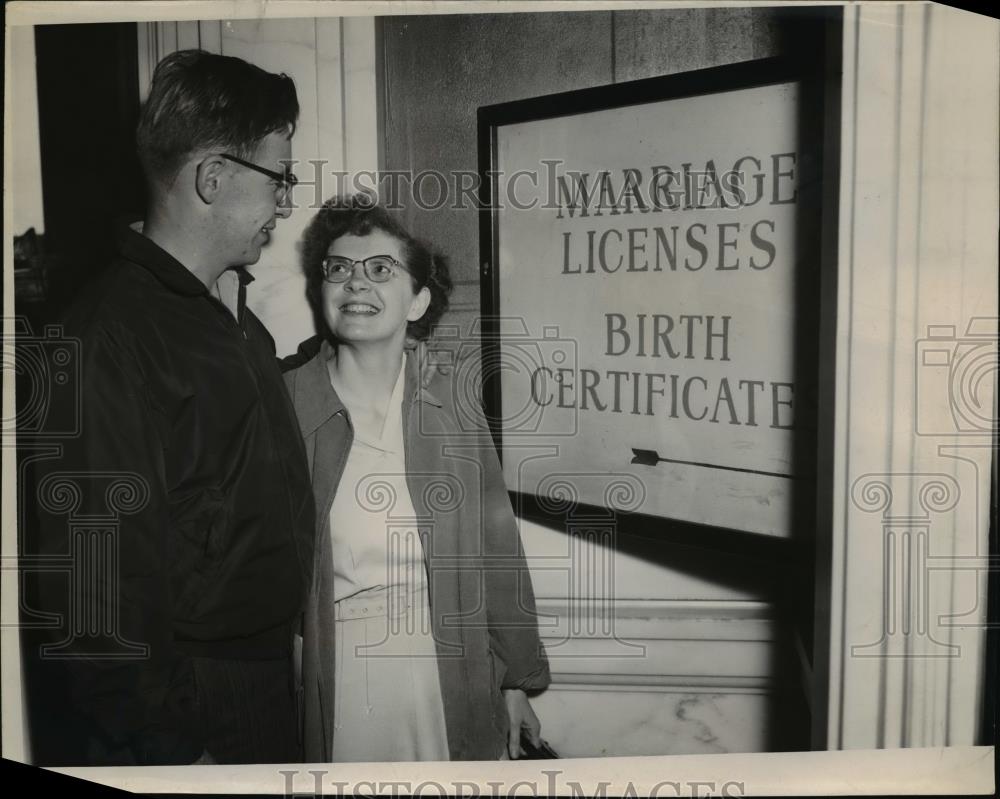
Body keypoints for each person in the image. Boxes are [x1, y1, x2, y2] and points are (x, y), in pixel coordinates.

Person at [31, 49, 314, 766]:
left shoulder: (230, 316)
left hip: (261, 677)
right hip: (194, 707)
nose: (285, 202)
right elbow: (96, 591)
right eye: (279, 178)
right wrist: (173, 752)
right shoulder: (104, 338)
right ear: (213, 179)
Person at [283, 196, 551, 762]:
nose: (357, 282)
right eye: (339, 268)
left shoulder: (451, 400)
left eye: (380, 268)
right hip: (344, 673)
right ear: (321, 289)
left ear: (418, 300)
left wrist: (513, 682)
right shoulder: (285, 405)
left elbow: (496, 546)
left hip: (454, 665)